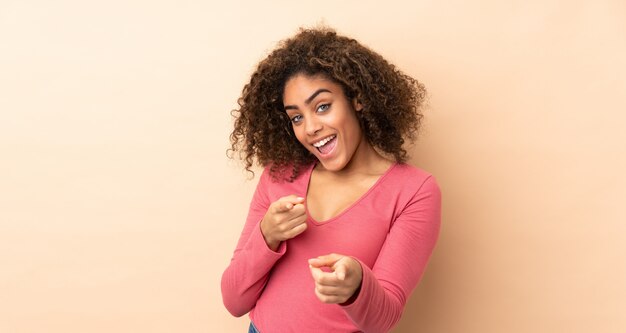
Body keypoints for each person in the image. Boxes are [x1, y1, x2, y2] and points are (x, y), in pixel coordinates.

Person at [221, 26, 441, 333]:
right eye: (296, 116)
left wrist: (358, 284)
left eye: (322, 106)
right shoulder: (280, 175)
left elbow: (384, 319)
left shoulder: (413, 191)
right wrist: (267, 235)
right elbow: (234, 300)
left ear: (358, 99)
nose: (310, 128)